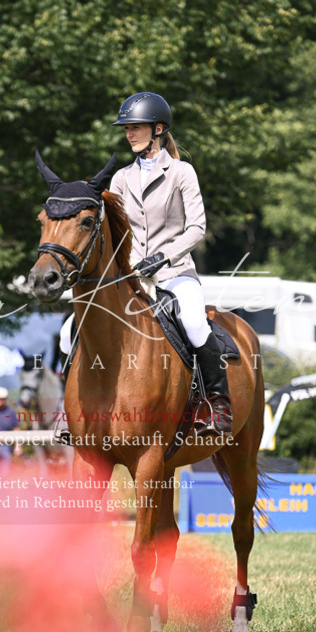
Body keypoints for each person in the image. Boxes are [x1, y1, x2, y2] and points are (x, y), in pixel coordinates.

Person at [109, 92, 231, 432]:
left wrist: (163, 256)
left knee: (193, 323)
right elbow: (118, 231)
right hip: (132, 275)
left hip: (175, 272)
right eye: (127, 128)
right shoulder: (120, 179)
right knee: (72, 329)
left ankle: (217, 405)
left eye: (136, 127)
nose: (129, 134)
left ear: (158, 129)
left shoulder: (181, 172)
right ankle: (78, 411)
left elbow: (197, 228)